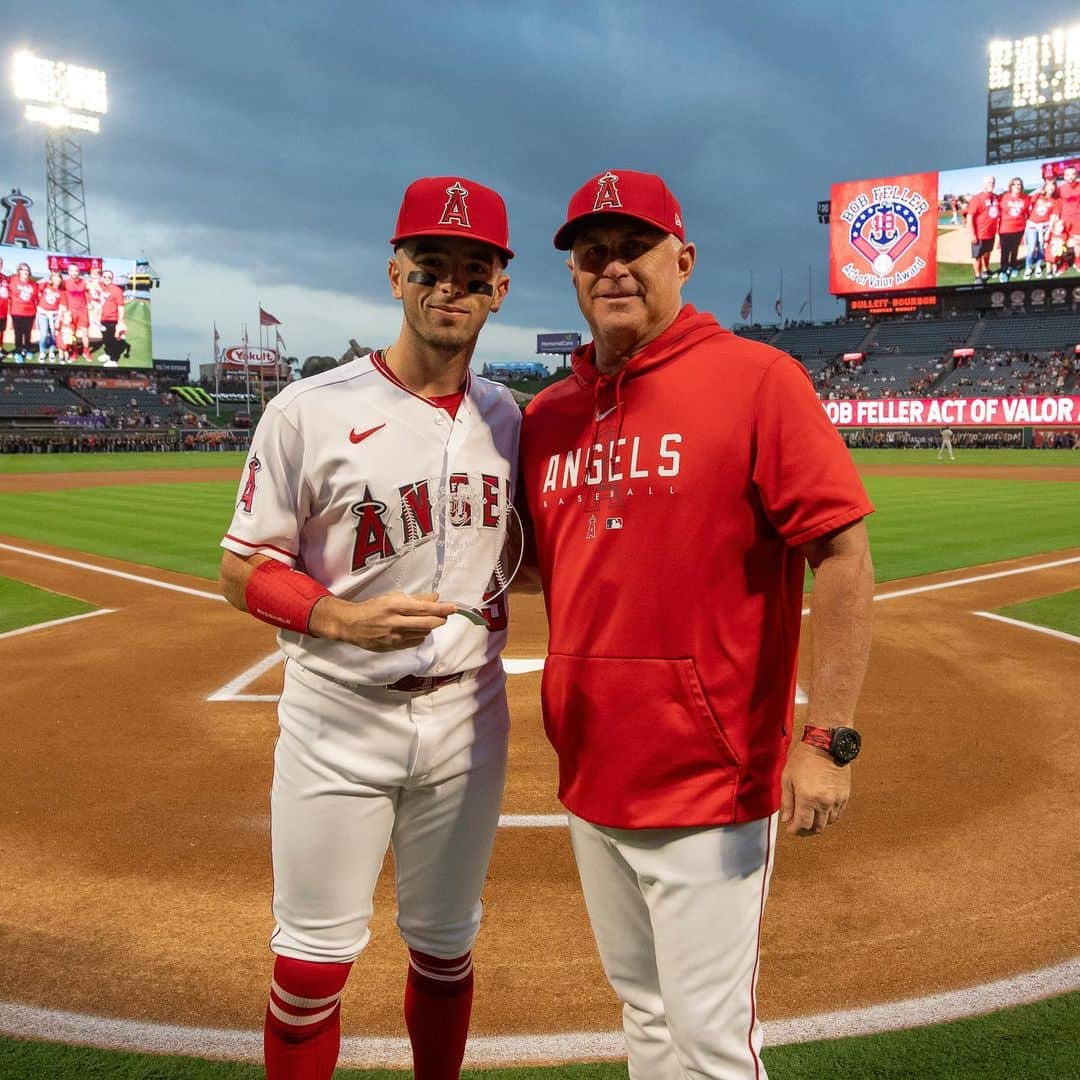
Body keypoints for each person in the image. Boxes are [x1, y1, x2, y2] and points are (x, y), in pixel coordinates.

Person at [519, 169, 875, 1080]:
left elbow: (841, 557)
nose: (613, 268)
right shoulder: (550, 417)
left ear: (683, 260)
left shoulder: (758, 379)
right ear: (572, 275)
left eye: (634, 247)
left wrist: (826, 740)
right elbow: (540, 566)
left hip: (709, 780)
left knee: (713, 1044)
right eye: (592, 252)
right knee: (642, 1016)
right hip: (590, 767)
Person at [218, 175, 519, 1080]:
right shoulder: (306, 410)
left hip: (470, 719)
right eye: (432, 266)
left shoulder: (508, 418)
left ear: (500, 288)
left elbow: (526, 558)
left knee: (446, 950)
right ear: (396, 273)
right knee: (310, 966)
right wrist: (340, 619)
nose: (450, 288)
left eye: (473, 271)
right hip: (338, 717)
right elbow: (241, 568)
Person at [966, 175, 1000, 284]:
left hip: (991, 233)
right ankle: (978, 276)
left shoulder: (995, 197)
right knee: (977, 256)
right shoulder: (977, 198)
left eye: (993, 182)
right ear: (983, 184)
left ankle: (986, 271)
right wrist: (972, 234)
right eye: (988, 182)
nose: (991, 184)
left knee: (987, 253)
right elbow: (969, 217)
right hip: (979, 234)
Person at [1023, 178, 1059, 278]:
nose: (1051, 187)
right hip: (1032, 226)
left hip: (1044, 227)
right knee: (1031, 248)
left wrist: (1049, 230)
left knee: (1041, 248)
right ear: (1045, 187)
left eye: (1053, 185)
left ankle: (1038, 266)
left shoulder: (1055, 200)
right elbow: (1027, 205)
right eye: (1048, 185)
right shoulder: (1037, 195)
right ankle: (1028, 268)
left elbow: (1053, 216)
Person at [997, 178, 1029, 281]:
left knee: (1015, 250)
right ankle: (1003, 271)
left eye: (1019, 184)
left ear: (1022, 186)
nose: (1017, 186)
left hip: (1019, 229)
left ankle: (1013, 266)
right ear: (1010, 186)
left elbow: (1026, 212)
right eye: (1014, 184)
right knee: (1005, 251)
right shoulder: (1003, 197)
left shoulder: (1025, 198)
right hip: (1005, 229)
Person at [61, 263, 92, 362]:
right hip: (71, 312)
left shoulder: (84, 282)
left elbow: (91, 293)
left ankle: (86, 351)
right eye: (72, 270)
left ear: (79, 272)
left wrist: (91, 302)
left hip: (83, 311)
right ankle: (75, 352)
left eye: (76, 271)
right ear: (68, 272)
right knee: (72, 334)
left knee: (85, 334)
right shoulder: (65, 283)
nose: (74, 273)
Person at [8, 262, 38, 362]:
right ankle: (18, 351)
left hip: (30, 313)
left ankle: (27, 349)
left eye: (27, 270)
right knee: (18, 333)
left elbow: (36, 297)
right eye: (22, 269)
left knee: (28, 333)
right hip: (17, 312)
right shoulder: (13, 280)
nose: (25, 271)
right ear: (19, 271)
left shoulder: (33, 284)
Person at [98, 269, 127, 365]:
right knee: (106, 339)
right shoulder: (101, 288)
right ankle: (108, 354)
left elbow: (121, 307)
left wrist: (121, 322)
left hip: (113, 320)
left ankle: (114, 360)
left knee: (113, 340)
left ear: (112, 278)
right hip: (102, 319)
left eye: (109, 277)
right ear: (102, 277)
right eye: (104, 277)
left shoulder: (117, 290)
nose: (106, 279)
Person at [35, 270, 65, 362]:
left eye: (58, 277)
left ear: (61, 279)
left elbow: (61, 306)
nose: (56, 279)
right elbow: (35, 291)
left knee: (52, 335)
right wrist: (38, 306)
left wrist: (58, 319)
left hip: (54, 315)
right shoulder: (45, 285)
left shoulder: (61, 291)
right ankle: (42, 351)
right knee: (43, 335)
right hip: (43, 314)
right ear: (51, 278)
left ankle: (52, 351)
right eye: (54, 276)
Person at [1057, 164, 1080, 272]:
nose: (1071, 177)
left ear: (1076, 175)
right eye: (1068, 175)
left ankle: (1077, 262)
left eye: (1073, 174)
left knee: (1077, 243)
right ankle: (1064, 264)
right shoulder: (1060, 189)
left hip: (1077, 220)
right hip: (1064, 221)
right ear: (1064, 177)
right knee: (1062, 243)